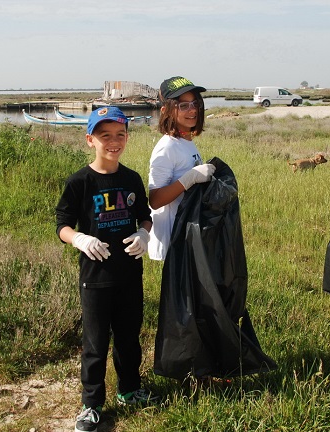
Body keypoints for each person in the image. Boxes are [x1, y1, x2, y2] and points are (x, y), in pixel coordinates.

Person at [56, 107, 158, 432]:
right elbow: (62, 225)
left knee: (129, 339)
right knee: (95, 344)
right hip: (95, 279)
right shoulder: (79, 182)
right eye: (105, 136)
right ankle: (91, 405)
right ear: (90, 140)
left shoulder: (131, 179)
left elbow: (145, 214)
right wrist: (80, 239)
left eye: (120, 135)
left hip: (129, 275)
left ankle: (129, 390)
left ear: (127, 137)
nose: (113, 142)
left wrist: (144, 232)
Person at [147, 76, 216, 260]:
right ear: (166, 111)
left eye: (195, 103)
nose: (192, 110)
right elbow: (155, 200)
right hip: (172, 241)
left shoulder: (186, 141)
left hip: (187, 236)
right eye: (183, 105)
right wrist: (190, 178)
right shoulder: (167, 147)